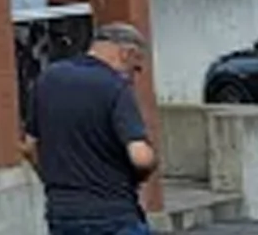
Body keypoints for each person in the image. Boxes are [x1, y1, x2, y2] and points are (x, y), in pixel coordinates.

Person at [26, 22, 162, 235]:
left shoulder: (48, 79)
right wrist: (149, 164)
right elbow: (140, 157)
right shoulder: (116, 87)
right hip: (114, 214)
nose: (133, 78)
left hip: (62, 212)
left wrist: (52, 179)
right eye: (136, 68)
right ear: (126, 53)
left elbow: (29, 146)